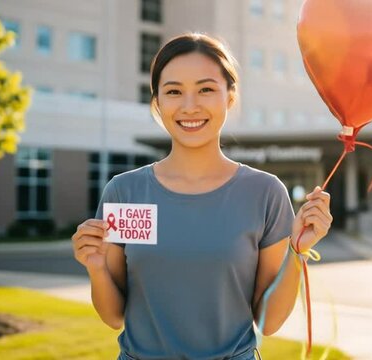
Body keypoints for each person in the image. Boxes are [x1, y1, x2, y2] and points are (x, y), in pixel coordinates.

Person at [71, 33, 333, 360]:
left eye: (206, 89)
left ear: (230, 97)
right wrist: (96, 268)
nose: (189, 106)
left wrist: (297, 250)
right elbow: (113, 317)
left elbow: (270, 322)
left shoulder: (264, 193)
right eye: (174, 92)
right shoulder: (125, 193)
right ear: (157, 103)